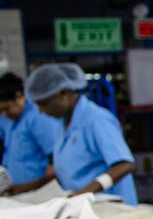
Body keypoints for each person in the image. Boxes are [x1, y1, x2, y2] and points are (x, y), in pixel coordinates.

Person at [25, 63, 137, 204]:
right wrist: (25, 188)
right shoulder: (62, 124)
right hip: (83, 204)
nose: (41, 112)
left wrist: (86, 192)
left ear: (63, 94)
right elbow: (69, 172)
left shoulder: (96, 119)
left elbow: (125, 164)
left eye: (44, 104)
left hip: (110, 205)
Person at [0, 72, 62, 194]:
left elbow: (55, 155)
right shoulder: (11, 122)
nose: (4, 114)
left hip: (38, 192)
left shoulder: (38, 117)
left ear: (20, 97)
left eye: (7, 108)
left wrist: (28, 187)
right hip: (18, 193)